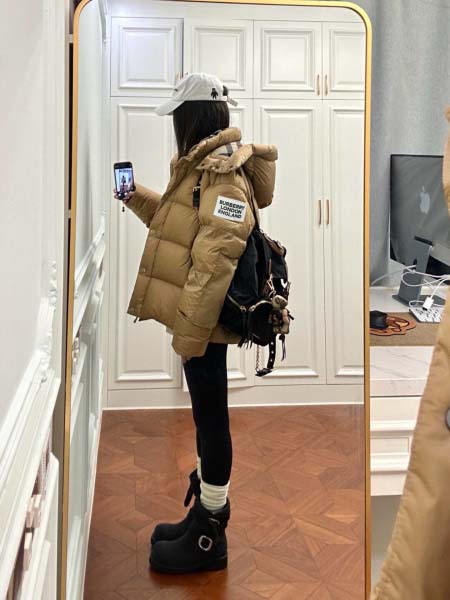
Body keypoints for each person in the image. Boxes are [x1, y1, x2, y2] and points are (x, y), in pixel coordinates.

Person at [113, 72, 279, 574]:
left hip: (207, 325)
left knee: (212, 419)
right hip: (201, 323)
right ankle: (202, 513)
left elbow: (213, 264)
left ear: (193, 119)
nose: (175, 128)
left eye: (178, 118)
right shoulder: (200, 170)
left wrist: (189, 336)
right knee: (206, 418)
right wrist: (133, 196)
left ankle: (210, 534)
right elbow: (178, 228)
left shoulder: (222, 176)